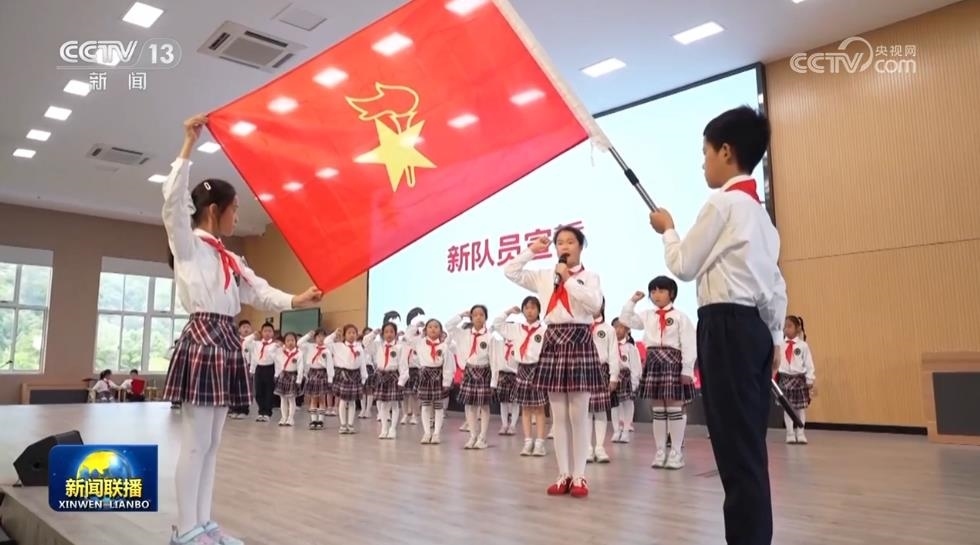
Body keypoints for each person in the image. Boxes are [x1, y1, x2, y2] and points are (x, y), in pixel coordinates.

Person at [162, 114, 322, 545]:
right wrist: (188, 145)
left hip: (225, 339)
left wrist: (298, 300)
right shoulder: (188, 244)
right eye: (234, 209)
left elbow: (261, 292)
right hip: (203, 337)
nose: (238, 216)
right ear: (214, 210)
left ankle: (204, 524)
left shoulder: (231, 258)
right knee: (195, 442)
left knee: (213, 442)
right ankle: (185, 530)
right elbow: (173, 201)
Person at [649, 105, 786, 545]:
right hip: (754, 330)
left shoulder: (722, 203)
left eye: (705, 153)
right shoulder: (760, 215)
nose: (703, 162)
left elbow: (683, 265)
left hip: (725, 327)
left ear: (726, 151)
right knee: (748, 447)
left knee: (733, 449)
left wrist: (667, 229)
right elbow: (775, 287)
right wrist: (775, 339)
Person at [504, 226, 604, 498]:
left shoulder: (590, 277)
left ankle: (580, 476)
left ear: (581, 246)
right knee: (558, 416)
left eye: (571, 241)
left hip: (579, 340)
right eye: (560, 242)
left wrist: (568, 279)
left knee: (578, 415)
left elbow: (595, 305)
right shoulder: (544, 276)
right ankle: (563, 474)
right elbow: (510, 271)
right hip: (553, 340)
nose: (564, 246)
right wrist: (531, 251)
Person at [620, 276, 697, 469]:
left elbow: (689, 343)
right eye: (653, 291)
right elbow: (625, 320)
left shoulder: (680, 317)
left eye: (661, 291)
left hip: (673, 362)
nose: (656, 295)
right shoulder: (647, 315)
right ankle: (660, 451)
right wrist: (632, 301)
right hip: (654, 361)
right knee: (658, 410)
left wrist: (687, 369)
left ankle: (676, 452)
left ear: (672, 293)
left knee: (674, 408)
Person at [447, 305, 494, 450]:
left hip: (484, 371)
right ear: (471, 318)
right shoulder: (463, 334)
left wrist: (494, 380)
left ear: (486, 318)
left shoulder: (490, 336)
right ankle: (473, 435)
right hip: (469, 370)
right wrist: (461, 315)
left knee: (484, 406)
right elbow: (448, 326)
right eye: (475, 315)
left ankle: (483, 437)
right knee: (470, 406)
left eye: (481, 314)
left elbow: (494, 360)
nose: (478, 317)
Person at [404, 317, 454, 444]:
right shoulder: (420, 343)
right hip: (425, 375)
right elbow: (408, 337)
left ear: (441, 331)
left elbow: (448, 365)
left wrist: (447, 381)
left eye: (436, 327)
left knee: (438, 406)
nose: (433, 329)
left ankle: (436, 433)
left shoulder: (444, 346)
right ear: (425, 330)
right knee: (425, 405)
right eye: (430, 327)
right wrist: (415, 326)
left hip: (438, 376)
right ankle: (427, 433)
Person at [778, 316, 816, 444]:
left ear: (797, 328)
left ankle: (800, 433)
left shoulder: (803, 346)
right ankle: (790, 433)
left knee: (800, 409)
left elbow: (809, 363)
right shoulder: (780, 344)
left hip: (799, 380)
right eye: (785, 327)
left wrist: (810, 378)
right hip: (785, 379)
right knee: (787, 409)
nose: (786, 329)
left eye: (789, 326)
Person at [609, 319, 641, 443]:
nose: (617, 330)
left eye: (621, 327)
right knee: (614, 405)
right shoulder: (610, 346)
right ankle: (616, 430)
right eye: (615, 327)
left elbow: (636, 366)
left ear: (627, 330)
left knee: (627, 403)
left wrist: (634, 382)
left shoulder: (630, 347)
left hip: (626, 377)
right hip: (613, 376)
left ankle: (626, 430)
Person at [299, 328, 333, 430]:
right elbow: (299, 343)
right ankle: (313, 420)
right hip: (312, 373)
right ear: (315, 338)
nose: (321, 338)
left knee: (322, 398)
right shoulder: (310, 347)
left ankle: (321, 420)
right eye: (318, 336)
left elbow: (330, 364)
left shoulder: (327, 350)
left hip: (322, 373)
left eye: (323, 336)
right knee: (313, 398)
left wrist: (330, 378)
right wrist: (308, 335)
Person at [273, 332, 304, 427]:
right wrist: (276, 345)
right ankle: (283, 417)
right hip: (283, 375)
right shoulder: (281, 351)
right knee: (282, 398)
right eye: (288, 340)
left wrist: (299, 380)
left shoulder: (299, 353)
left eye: (292, 340)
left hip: (293, 376)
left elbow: (300, 367)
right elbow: (271, 353)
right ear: (284, 342)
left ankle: (290, 418)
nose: (290, 342)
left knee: (291, 398)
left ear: (295, 341)